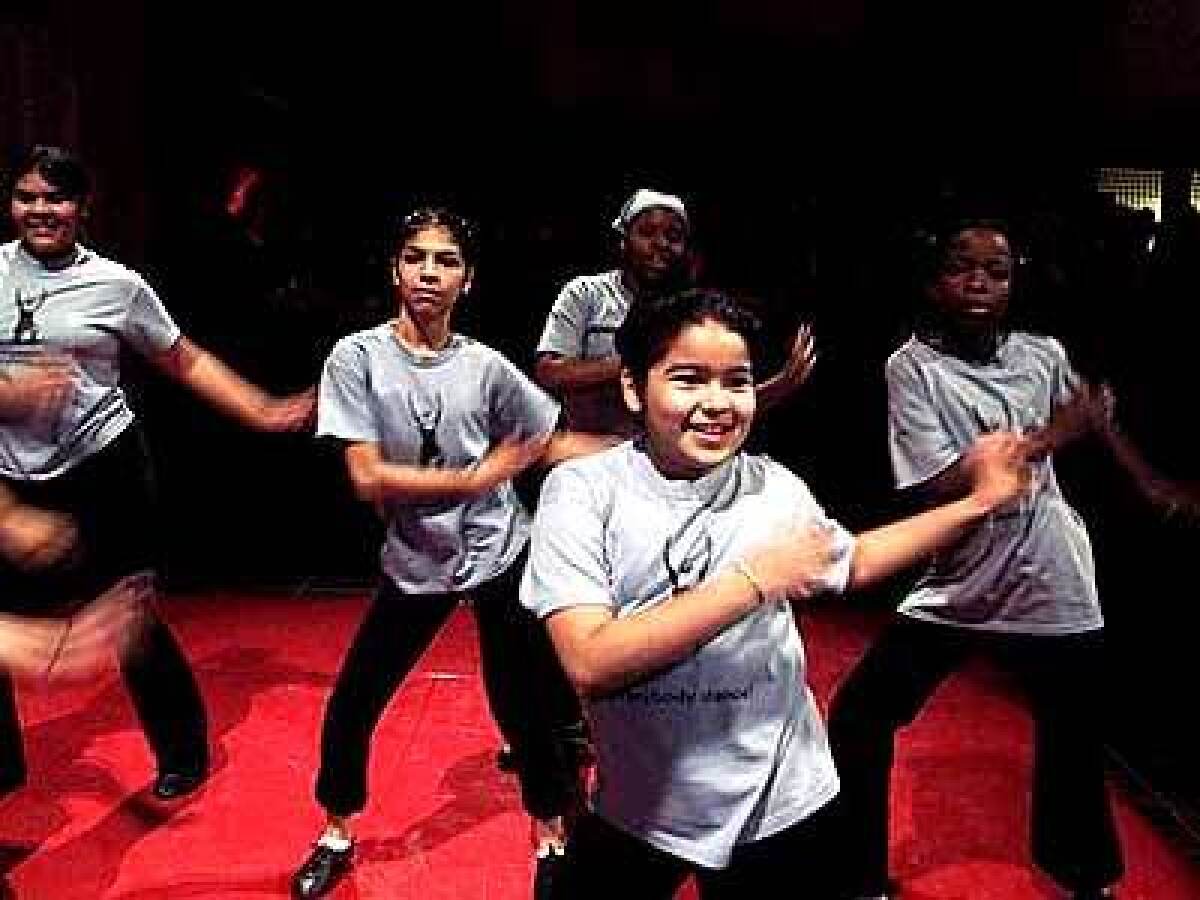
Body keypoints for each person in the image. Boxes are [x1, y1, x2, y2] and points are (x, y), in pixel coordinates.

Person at [520, 287, 1033, 899]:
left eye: (736, 382)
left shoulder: (775, 487)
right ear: (633, 388)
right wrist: (753, 581)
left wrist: (977, 504)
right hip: (644, 800)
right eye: (688, 379)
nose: (716, 404)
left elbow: (855, 559)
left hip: (783, 799)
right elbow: (590, 659)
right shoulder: (581, 492)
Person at [824, 218, 1188, 900]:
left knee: (1073, 736)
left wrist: (1147, 481)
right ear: (934, 281)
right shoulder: (912, 368)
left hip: (1052, 569)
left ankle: (1085, 879)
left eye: (996, 271)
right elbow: (935, 484)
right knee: (861, 717)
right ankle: (858, 873)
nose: (980, 283)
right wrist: (1054, 435)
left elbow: (1094, 415)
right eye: (964, 268)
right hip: (963, 574)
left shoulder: (1041, 352)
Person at [293, 207, 608, 900]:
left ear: (467, 279)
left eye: (446, 260)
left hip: (500, 553)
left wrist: (647, 453)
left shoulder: (486, 367)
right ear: (394, 269)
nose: (429, 272)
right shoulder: (357, 357)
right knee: (354, 700)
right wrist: (471, 477)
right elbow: (365, 475)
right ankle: (336, 830)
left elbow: (545, 441)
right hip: (416, 560)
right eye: (415, 257)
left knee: (524, 707)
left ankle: (550, 834)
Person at [0, 145, 314, 802]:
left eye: (55, 198)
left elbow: (184, 360)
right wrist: (10, 391)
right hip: (9, 475)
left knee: (129, 615)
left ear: (82, 208)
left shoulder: (117, 284)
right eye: (28, 196)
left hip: (101, 464)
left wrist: (260, 409)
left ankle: (182, 751)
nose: (40, 210)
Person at [534, 188, 815, 438]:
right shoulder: (585, 293)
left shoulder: (691, 311)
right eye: (647, 232)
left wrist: (781, 386)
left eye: (673, 236)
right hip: (587, 450)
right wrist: (639, 360)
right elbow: (550, 373)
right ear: (623, 240)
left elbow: (710, 409)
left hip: (661, 457)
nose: (661, 244)